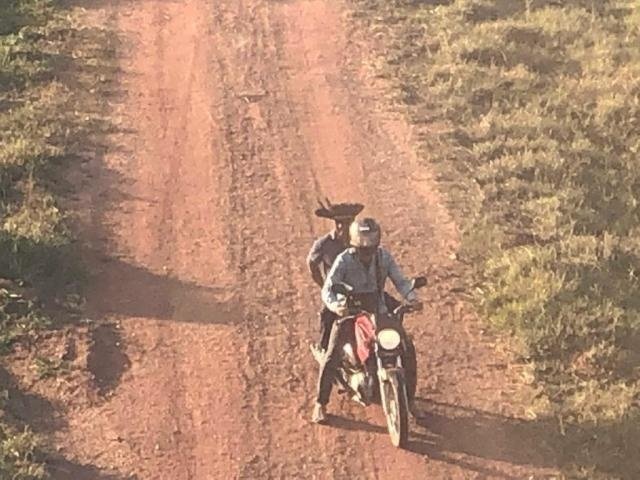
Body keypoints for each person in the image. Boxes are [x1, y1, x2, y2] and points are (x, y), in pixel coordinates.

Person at [312, 218, 422, 424]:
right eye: (363, 249)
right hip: (350, 312)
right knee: (332, 355)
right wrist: (338, 306)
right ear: (354, 245)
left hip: (378, 311)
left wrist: (412, 298)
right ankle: (320, 403)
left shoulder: (384, 257)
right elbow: (328, 289)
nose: (367, 253)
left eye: (371, 248)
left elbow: (400, 281)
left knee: (407, 349)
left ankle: (410, 400)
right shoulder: (344, 260)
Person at [307, 200, 364, 351]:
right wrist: (324, 285)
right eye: (341, 223)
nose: (344, 227)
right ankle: (324, 349)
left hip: (359, 290)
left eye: (348, 223)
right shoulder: (323, 244)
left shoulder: (360, 242)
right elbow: (312, 264)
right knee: (327, 317)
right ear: (336, 224)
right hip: (336, 292)